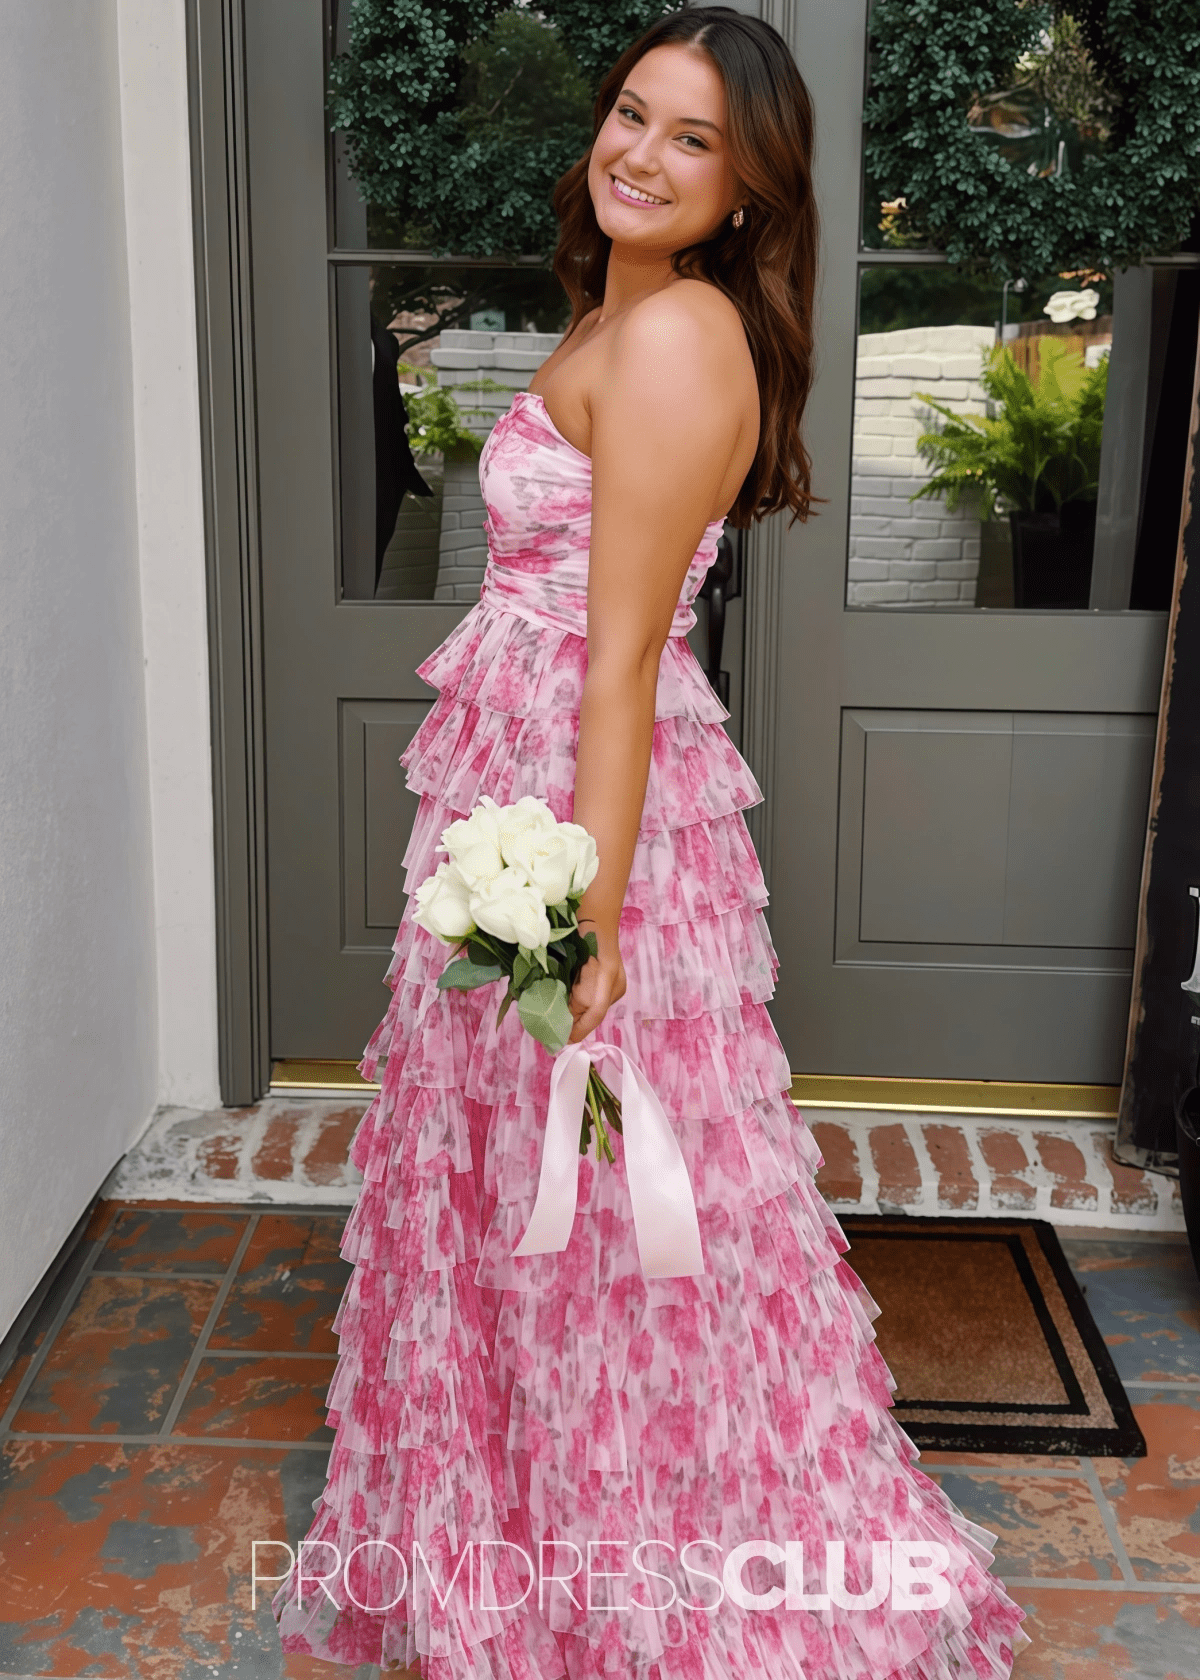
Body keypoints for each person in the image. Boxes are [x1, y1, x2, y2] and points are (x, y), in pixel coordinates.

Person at [273, 9, 1032, 1677]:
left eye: (693, 139)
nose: (641, 150)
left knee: (606, 1187)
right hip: (519, 782)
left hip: (582, 804)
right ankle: (529, 1517)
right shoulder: (622, 314)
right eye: (633, 112)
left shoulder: (684, 338)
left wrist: (587, 914)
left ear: (750, 192)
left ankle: (651, 1557)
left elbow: (619, 658)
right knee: (523, 1178)